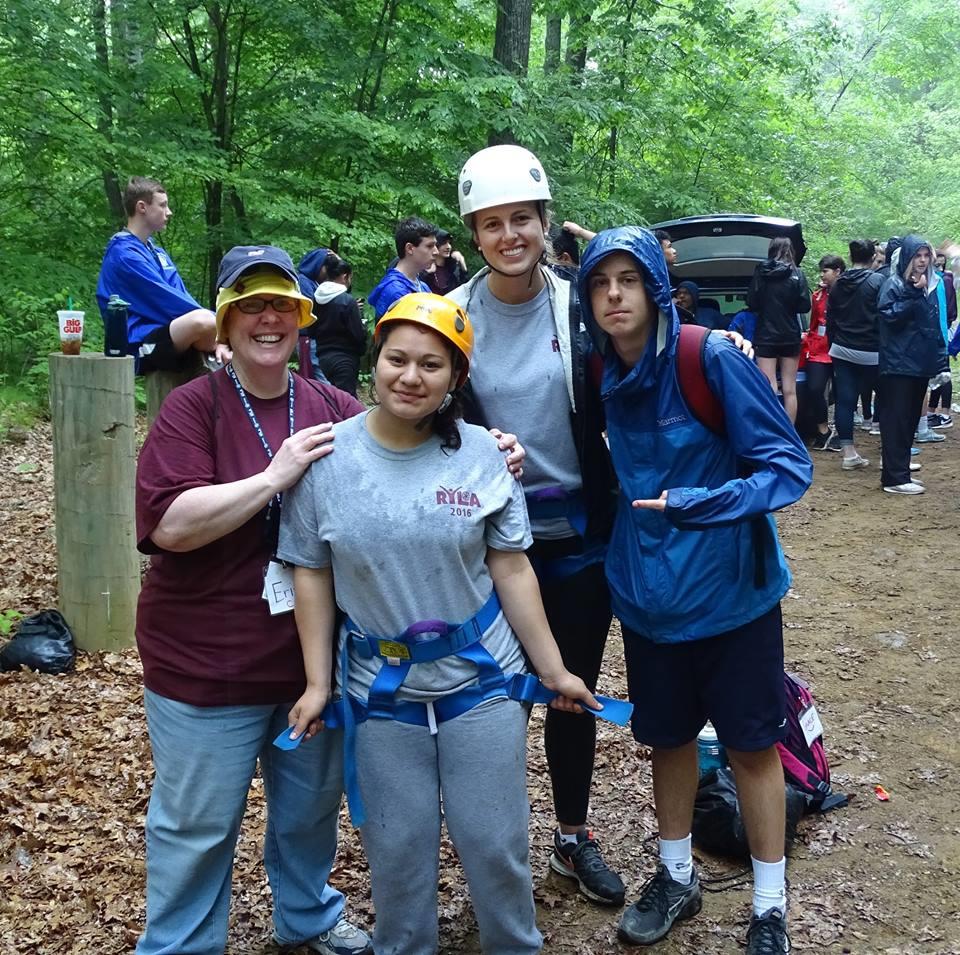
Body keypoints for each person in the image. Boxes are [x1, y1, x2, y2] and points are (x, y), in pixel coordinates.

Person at [276, 292, 599, 955]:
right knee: (396, 848)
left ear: (456, 377)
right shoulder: (326, 460)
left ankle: (514, 946)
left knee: (495, 841)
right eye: (397, 359)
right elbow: (311, 572)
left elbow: (512, 567)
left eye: (431, 364)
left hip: (481, 680)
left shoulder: (483, 453)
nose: (411, 376)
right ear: (375, 362)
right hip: (380, 689)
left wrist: (553, 669)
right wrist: (316, 683)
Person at [578, 226, 812, 955]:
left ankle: (769, 907)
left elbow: (788, 467)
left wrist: (699, 502)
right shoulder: (597, 369)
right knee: (668, 738)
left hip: (732, 595)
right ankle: (676, 876)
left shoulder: (708, 356)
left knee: (751, 745)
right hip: (647, 598)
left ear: (655, 286)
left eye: (628, 280)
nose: (614, 295)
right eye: (599, 283)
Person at [133, 244, 372, 955]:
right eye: (250, 306)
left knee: (308, 811)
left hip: (309, 663)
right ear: (226, 322)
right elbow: (170, 524)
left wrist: (488, 450)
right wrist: (273, 476)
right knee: (198, 825)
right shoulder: (193, 407)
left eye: (280, 305)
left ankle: (308, 916)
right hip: (206, 662)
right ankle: (180, 945)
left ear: (300, 318)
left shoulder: (334, 407)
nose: (267, 319)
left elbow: (404, 459)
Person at [449, 144, 626, 907]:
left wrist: (723, 344)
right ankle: (496, 851)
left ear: (544, 222)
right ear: (474, 233)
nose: (509, 235)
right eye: (492, 223)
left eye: (521, 218)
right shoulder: (451, 315)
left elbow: (644, 358)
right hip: (488, 542)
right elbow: (415, 407)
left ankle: (572, 836)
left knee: (569, 688)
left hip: (579, 534)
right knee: (493, 701)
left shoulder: (579, 305)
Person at [96, 176, 227, 372]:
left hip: (170, 336)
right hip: (139, 344)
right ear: (142, 207)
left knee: (212, 324)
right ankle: (223, 347)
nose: (169, 212)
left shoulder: (156, 252)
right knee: (204, 322)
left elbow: (182, 297)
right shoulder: (124, 255)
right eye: (163, 205)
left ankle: (224, 350)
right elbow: (168, 302)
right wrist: (225, 329)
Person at [878, 235, 944, 494]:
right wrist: (914, 294)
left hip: (918, 364)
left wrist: (938, 362)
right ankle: (894, 478)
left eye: (926, 256)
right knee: (896, 420)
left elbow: (930, 326)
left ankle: (900, 472)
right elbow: (889, 317)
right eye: (918, 256)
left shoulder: (927, 284)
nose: (922, 261)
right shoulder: (894, 284)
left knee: (909, 421)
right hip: (898, 364)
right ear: (907, 257)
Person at [826, 240, 884, 470]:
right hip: (873, 352)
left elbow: (831, 319)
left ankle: (849, 454)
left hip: (842, 349)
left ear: (850, 257)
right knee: (887, 399)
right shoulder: (879, 281)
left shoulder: (837, 285)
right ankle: (888, 455)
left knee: (845, 400)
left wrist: (833, 345)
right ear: (873, 257)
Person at [747, 236, 812, 423]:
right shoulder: (797, 273)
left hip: (765, 336)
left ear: (771, 250)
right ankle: (789, 432)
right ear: (791, 251)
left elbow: (752, 302)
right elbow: (804, 306)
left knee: (769, 388)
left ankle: (774, 431)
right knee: (790, 389)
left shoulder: (761, 272)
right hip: (790, 336)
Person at [308, 259, 368, 397]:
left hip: (323, 358)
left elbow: (311, 330)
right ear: (345, 276)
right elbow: (358, 334)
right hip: (345, 359)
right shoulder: (347, 301)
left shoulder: (315, 299)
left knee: (332, 397)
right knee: (347, 400)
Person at [805, 255, 843, 452]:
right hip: (819, 350)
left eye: (825, 271)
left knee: (842, 393)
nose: (822, 275)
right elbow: (813, 324)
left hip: (841, 349)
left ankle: (842, 434)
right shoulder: (817, 296)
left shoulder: (847, 293)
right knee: (814, 389)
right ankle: (823, 430)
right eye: (821, 271)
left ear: (837, 271)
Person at [368, 217, 437, 318]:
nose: (436, 252)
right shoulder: (395, 291)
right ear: (410, 248)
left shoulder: (423, 287)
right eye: (429, 246)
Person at [424, 228, 470, 295]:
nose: (448, 247)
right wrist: (426, 274)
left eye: (449, 243)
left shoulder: (454, 269)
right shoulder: (425, 269)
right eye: (444, 243)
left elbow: (467, 291)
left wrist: (463, 266)